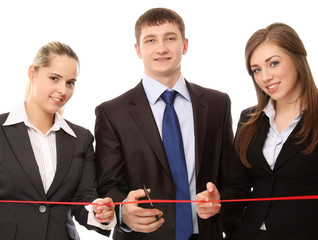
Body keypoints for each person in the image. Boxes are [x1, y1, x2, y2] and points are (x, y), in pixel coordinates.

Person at [95, 7, 234, 240]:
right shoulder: (112, 113)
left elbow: (233, 181)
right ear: (138, 50)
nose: (161, 48)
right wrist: (123, 214)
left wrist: (220, 203)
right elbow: (107, 185)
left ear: (185, 45)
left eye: (170, 38)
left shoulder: (218, 103)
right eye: (151, 40)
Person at [195, 23, 318, 240]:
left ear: (298, 59)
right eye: (257, 69)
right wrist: (218, 203)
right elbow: (238, 187)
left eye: (274, 63)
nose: (265, 77)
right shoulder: (249, 119)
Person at [0, 41, 116, 240]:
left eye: (70, 83)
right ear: (32, 73)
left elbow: (83, 199)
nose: (63, 90)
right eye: (54, 78)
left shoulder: (81, 138)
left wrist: (99, 211)